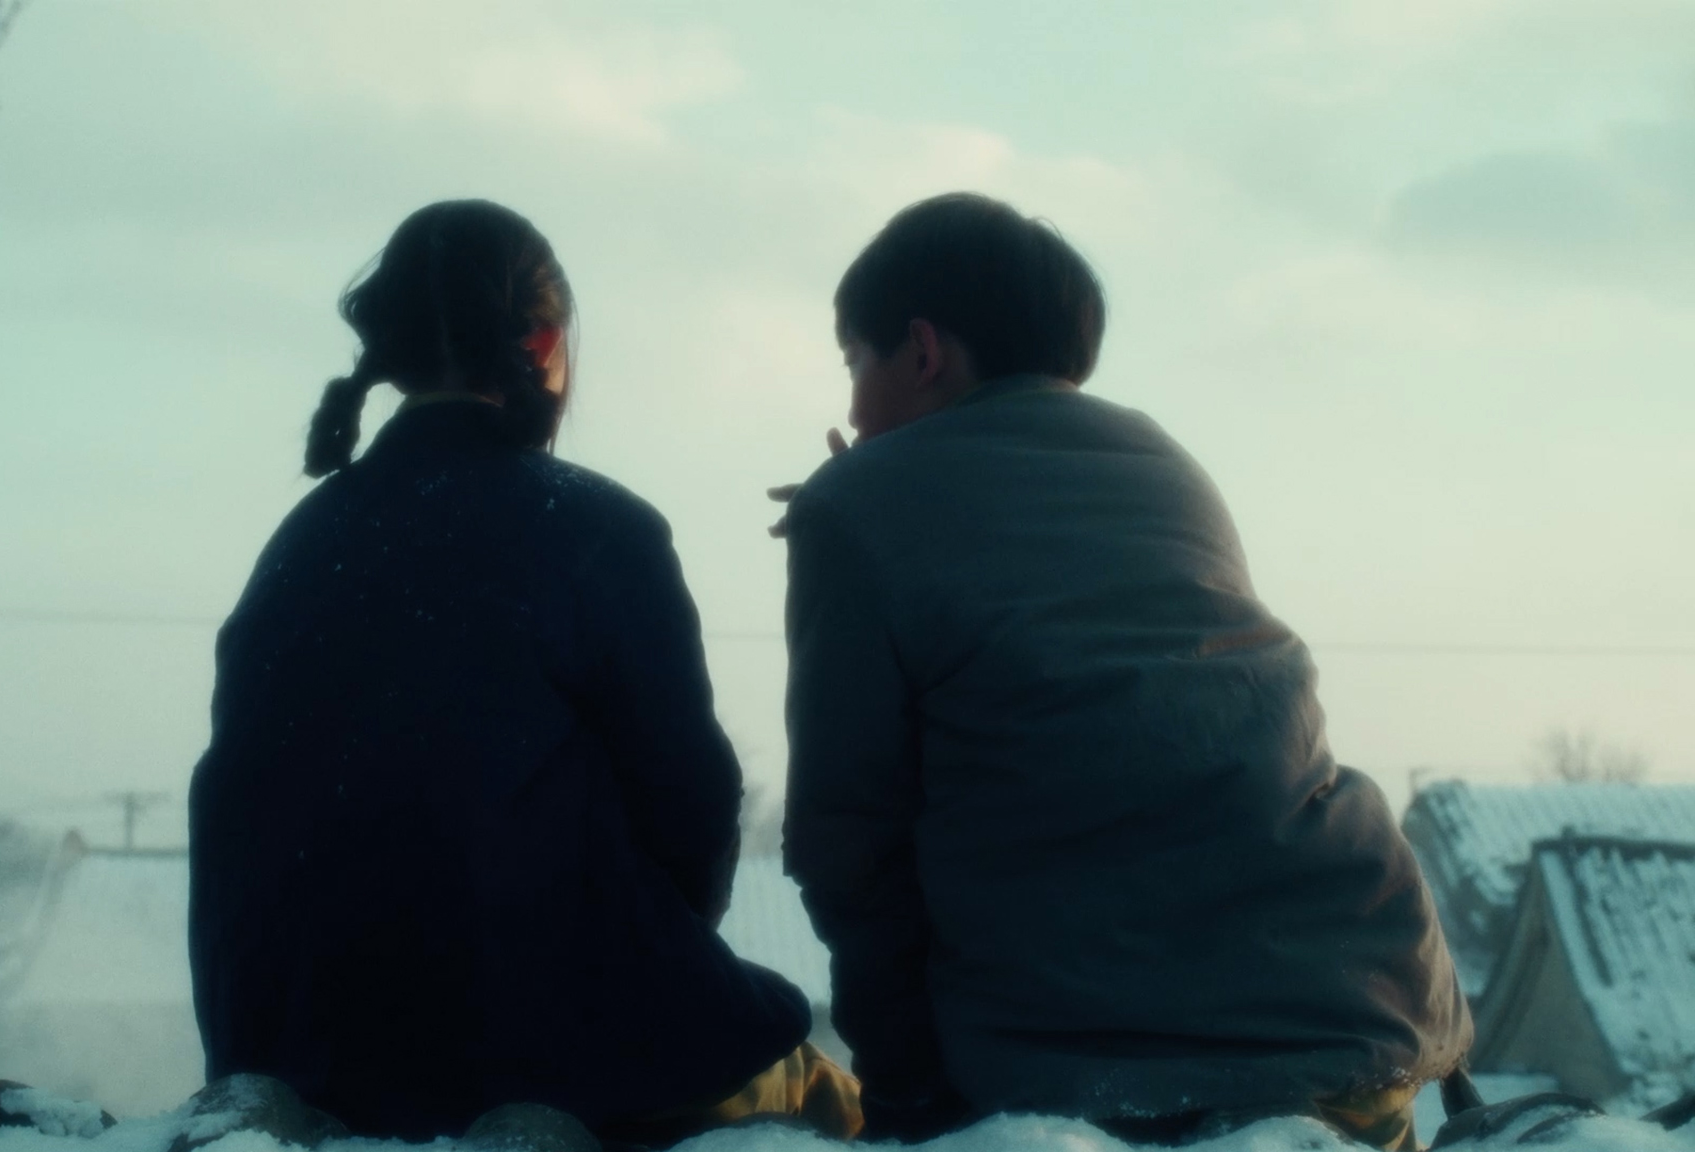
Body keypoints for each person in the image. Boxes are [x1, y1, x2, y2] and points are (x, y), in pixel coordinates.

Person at [774, 193, 1472, 1149]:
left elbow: (847, 844)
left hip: (1094, 1076)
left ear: (923, 351)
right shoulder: (1164, 460)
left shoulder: (852, 504)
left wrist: (903, 1103)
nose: (853, 408)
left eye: (856, 364)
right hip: (1364, 1021)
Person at [188, 200, 859, 1144]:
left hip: (292, 1043)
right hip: (526, 1038)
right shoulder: (596, 527)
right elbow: (692, 803)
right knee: (827, 1097)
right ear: (543, 343)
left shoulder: (302, 540)